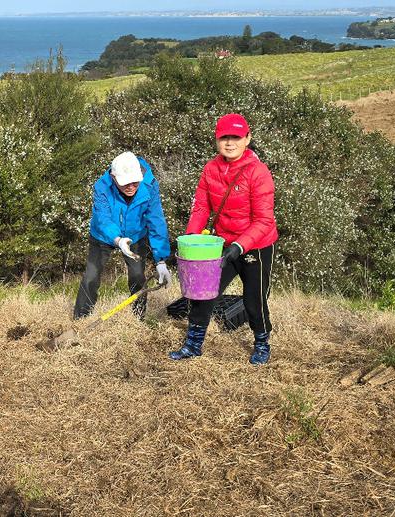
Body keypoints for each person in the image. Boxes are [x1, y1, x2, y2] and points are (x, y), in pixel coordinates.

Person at [170, 113, 278, 365]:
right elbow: (201, 209)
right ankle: (193, 344)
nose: (230, 143)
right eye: (224, 137)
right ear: (217, 140)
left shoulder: (258, 172)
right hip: (222, 242)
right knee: (203, 293)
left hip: (256, 245)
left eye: (236, 137)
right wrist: (189, 242)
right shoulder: (211, 169)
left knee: (254, 299)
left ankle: (262, 343)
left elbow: (264, 220)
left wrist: (240, 246)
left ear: (247, 139)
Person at [74, 151, 172, 319]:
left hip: (136, 234)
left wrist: (161, 260)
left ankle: (138, 316)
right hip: (104, 235)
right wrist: (118, 240)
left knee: (137, 275)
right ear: (113, 177)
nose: (131, 187)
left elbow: (156, 220)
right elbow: (102, 218)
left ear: (140, 175)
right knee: (91, 275)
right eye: (125, 183)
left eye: (135, 182)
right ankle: (81, 317)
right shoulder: (101, 187)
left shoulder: (149, 185)